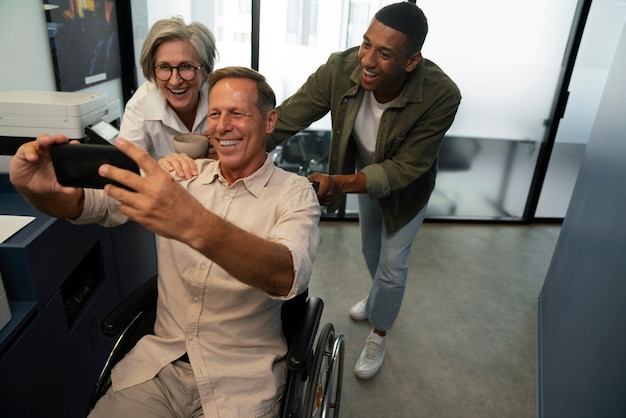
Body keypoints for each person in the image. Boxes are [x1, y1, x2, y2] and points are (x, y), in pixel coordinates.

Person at [9, 66, 321, 417]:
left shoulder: (294, 193)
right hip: (160, 368)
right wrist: (38, 191)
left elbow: (288, 274)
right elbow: (91, 204)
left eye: (238, 113)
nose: (222, 125)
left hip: (241, 379)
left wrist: (195, 223)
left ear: (269, 121)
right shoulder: (180, 176)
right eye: (215, 114)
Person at [268, 2, 462, 380]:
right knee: (370, 248)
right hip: (365, 178)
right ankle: (378, 300)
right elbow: (293, 113)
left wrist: (340, 182)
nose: (368, 61)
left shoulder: (442, 95)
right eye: (366, 44)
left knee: (393, 266)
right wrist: (243, 142)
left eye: (385, 53)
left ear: (411, 61)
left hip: (406, 191)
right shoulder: (342, 68)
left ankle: (380, 332)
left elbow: (406, 167)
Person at [120, 17, 218, 160]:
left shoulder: (222, 96)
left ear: (205, 70)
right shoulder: (140, 105)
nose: (175, 81)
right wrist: (163, 168)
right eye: (164, 67)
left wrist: (226, 154)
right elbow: (129, 169)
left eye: (186, 66)